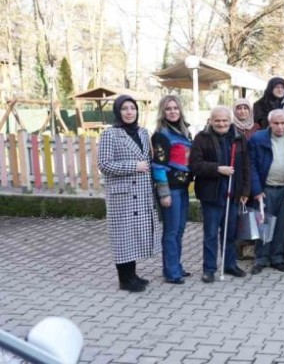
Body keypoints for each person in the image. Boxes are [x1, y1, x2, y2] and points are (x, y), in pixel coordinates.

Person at [98, 95, 161, 293]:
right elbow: (104, 165)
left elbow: (149, 160)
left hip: (142, 192)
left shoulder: (143, 132)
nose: (129, 112)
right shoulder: (110, 134)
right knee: (122, 236)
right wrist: (134, 166)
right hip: (122, 194)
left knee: (134, 235)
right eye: (124, 108)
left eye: (132, 108)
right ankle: (124, 280)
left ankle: (133, 275)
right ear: (118, 111)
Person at [189, 106, 250, 283]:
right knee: (210, 234)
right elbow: (195, 165)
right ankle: (209, 269)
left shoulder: (239, 138)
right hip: (211, 195)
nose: (221, 123)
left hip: (233, 194)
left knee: (230, 233)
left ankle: (229, 264)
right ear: (211, 120)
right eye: (217, 120)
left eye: (224, 120)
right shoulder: (202, 138)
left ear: (230, 120)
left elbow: (246, 165)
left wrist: (246, 190)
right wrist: (217, 169)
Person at [248, 109, 284, 274]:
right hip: (265, 189)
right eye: (276, 123)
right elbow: (251, 166)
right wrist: (257, 190)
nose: (280, 127)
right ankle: (261, 258)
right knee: (263, 223)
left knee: (280, 226)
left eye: (283, 123)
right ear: (269, 123)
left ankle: (277, 258)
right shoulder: (258, 139)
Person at [151, 95, 192, 285]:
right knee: (171, 230)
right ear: (163, 112)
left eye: (175, 107)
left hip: (183, 188)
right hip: (171, 190)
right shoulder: (161, 135)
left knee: (179, 230)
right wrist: (164, 193)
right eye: (168, 109)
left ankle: (176, 265)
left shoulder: (183, 132)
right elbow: (158, 166)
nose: (173, 111)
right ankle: (171, 271)